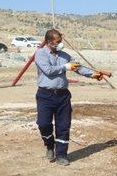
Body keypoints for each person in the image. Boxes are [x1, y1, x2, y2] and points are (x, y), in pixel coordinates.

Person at [35, 29, 111, 166]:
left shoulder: (65, 56)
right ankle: (49, 145)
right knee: (43, 124)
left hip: (63, 95)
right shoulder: (40, 54)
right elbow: (48, 71)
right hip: (45, 95)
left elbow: (78, 68)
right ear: (48, 42)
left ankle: (61, 155)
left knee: (64, 125)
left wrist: (92, 75)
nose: (60, 44)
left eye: (60, 41)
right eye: (57, 42)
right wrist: (65, 67)